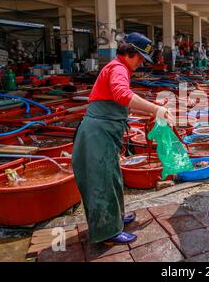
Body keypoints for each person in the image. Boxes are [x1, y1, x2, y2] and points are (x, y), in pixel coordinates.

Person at [72, 33, 175, 245]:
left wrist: (145, 112)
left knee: (112, 176)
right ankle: (107, 232)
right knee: (101, 180)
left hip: (104, 130)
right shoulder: (118, 68)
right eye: (139, 58)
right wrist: (156, 108)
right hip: (98, 133)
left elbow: (115, 102)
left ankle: (115, 218)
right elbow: (121, 94)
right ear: (130, 53)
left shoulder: (118, 67)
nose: (140, 64)